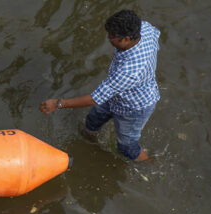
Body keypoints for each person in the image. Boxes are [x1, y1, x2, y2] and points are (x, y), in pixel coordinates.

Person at [40, 10, 160, 162]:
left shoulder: (129, 71)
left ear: (127, 39)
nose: (109, 39)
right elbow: (156, 33)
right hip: (116, 95)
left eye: (112, 37)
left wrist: (58, 103)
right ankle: (90, 143)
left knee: (126, 146)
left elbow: (94, 98)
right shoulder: (145, 29)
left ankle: (147, 163)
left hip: (134, 107)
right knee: (93, 120)